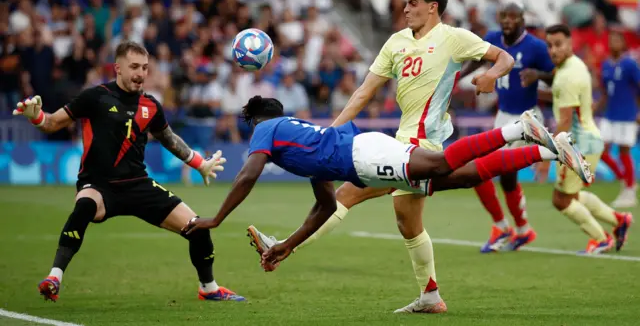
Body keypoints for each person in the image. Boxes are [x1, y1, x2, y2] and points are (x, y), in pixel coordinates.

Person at [236, 0, 517, 314]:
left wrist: (490, 75)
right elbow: (364, 92)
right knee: (409, 223)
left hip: (423, 140)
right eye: (406, 1)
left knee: (348, 194)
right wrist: (331, 131)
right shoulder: (396, 43)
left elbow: (504, 58)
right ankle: (430, 295)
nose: (406, 8)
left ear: (433, 7)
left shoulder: (454, 38)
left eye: (413, 2)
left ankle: (284, 246)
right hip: (404, 137)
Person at [182, 95, 592, 311]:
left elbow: (248, 173)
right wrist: (287, 246)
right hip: (363, 157)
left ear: (258, 120)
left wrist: (217, 217)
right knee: (456, 177)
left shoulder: (267, 127)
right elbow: (325, 207)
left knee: (441, 162)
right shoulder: (301, 140)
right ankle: (548, 151)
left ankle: (518, 128)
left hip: (365, 157)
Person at [13, 41, 245, 302]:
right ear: (118, 68)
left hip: (138, 185)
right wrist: (37, 117)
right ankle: (54, 277)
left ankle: (209, 289)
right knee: (84, 207)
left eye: (145, 68)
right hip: (99, 185)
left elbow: (169, 139)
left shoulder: (151, 105)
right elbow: (53, 123)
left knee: (198, 227)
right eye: (134, 67)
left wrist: (199, 164)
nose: (140, 73)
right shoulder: (95, 97)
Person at [458, 3, 556, 253]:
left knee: (484, 169)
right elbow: (479, 59)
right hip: (502, 115)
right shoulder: (492, 38)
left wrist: (538, 75)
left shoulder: (535, 46)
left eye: (513, 17)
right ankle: (520, 230)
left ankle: (505, 228)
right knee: (499, 175)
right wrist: (457, 77)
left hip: (526, 118)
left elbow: (554, 74)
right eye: (504, 16)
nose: (507, 21)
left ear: (522, 19)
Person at [527, 25, 633, 254]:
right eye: (550, 45)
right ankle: (619, 220)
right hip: (588, 139)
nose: (553, 50)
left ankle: (602, 238)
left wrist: (545, 158)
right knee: (571, 196)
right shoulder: (573, 66)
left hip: (578, 143)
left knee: (561, 200)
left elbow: (564, 122)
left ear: (570, 44)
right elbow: (559, 95)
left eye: (558, 44)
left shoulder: (567, 76)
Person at [597, 31, 640, 208]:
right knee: (601, 150)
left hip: (627, 114)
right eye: (611, 40)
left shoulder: (630, 64)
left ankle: (629, 191)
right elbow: (606, 91)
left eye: (617, 40)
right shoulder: (606, 65)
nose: (613, 43)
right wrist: (597, 106)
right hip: (610, 114)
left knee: (624, 151)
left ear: (623, 44)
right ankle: (624, 179)